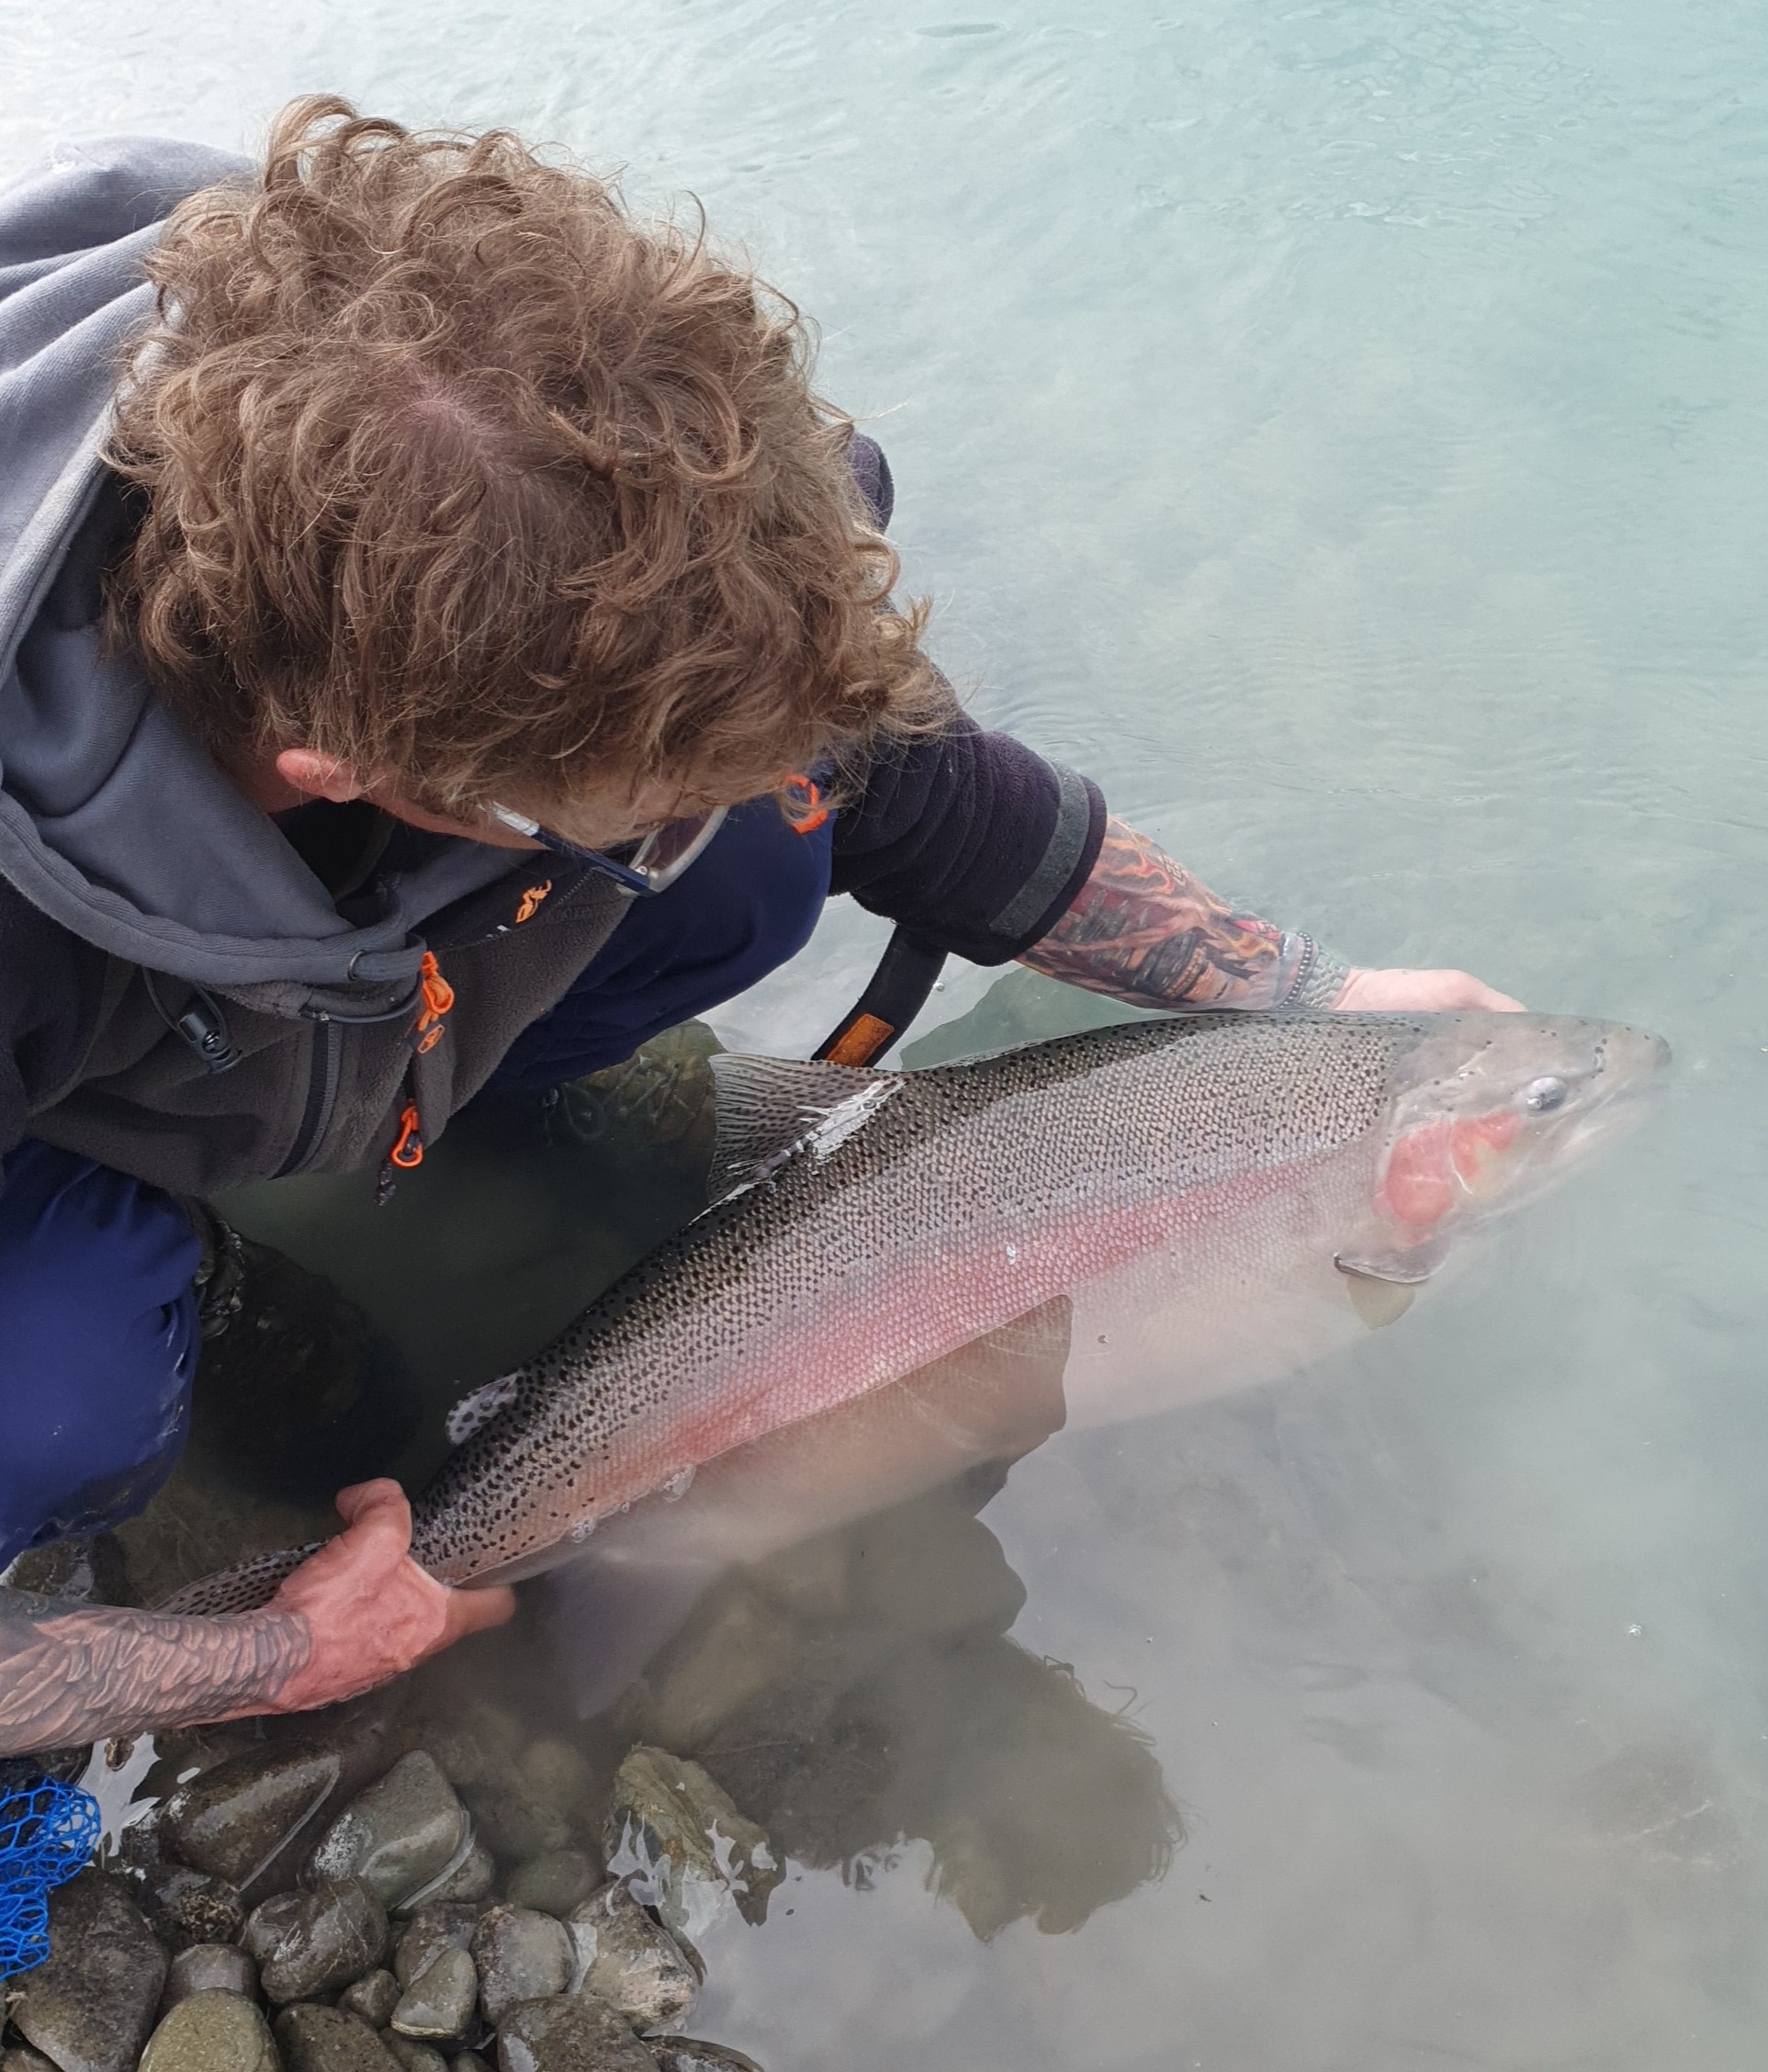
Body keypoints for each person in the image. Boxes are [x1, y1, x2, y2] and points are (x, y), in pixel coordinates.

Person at [0, 100, 1517, 1757]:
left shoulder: (490, 418)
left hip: (290, 957)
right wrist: (269, 1653)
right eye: (640, 803)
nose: (716, 798)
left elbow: (922, 792)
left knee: (764, 845)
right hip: (67, 1032)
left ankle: (448, 1119)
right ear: (338, 767)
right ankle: (174, 1269)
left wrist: (1312, 993)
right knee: (57, 1399)